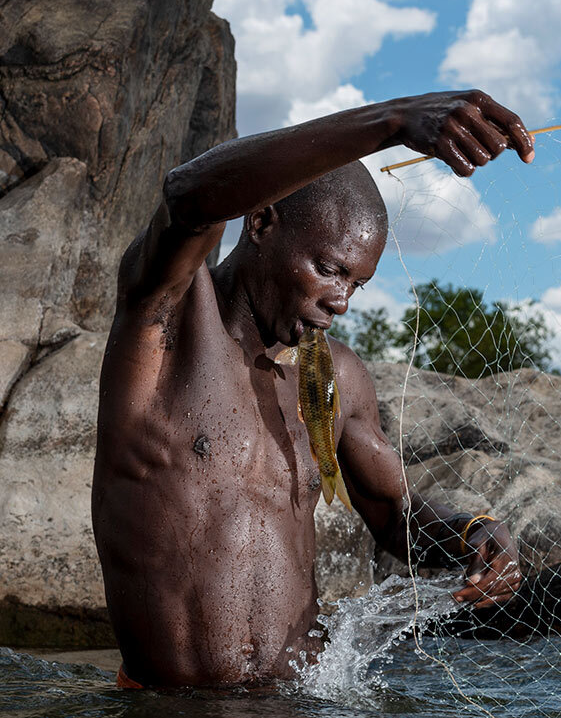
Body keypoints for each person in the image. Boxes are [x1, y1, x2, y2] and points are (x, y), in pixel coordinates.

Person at [91, 90, 535, 688]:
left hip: (305, 700)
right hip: (175, 705)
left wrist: (473, 531)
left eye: (357, 282)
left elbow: (395, 516)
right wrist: (392, 121)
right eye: (328, 268)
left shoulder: (337, 380)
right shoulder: (167, 321)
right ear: (262, 221)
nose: (341, 301)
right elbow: (187, 197)